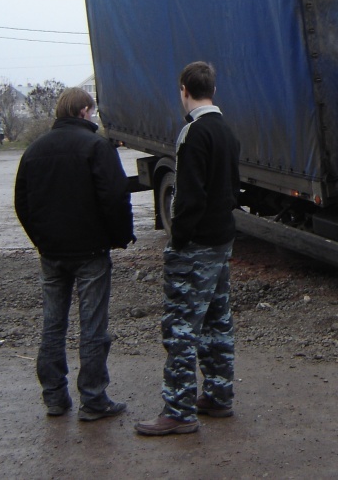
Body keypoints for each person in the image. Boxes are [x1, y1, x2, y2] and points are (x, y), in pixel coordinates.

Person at [14, 87, 134, 422]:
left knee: (53, 324)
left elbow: (22, 203)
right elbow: (114, 197)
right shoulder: (97, 147)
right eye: (93, 111)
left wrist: (41, 239)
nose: (94, 117)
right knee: (93, 326)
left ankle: (54, 397)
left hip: (51, 252)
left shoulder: (34, 150)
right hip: (91, 251)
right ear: (83, 111)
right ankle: (93, 399)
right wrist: (120, 237)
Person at [135, 61, 240, 436]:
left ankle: (178, 411)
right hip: (222, 240)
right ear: (212, 88)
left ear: (184, 90)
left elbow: (189, 197)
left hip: (195, 246)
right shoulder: (227, 131)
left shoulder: (192, 134)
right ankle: (218, 394)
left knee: (180, 327)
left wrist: (177, 239)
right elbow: (232, 186)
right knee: (216, 319)